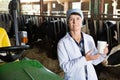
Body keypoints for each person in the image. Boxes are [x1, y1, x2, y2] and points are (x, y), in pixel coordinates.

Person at [57, 9, 108, 80]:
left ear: (82, 22)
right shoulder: (62, 43)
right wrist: (84, 59)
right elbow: (65, 68)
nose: (75, 22)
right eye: (71, 19)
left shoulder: (89, 38)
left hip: (91, 77)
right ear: (67, 22)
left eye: (78, 19)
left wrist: (102, 54)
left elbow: (94, 61)